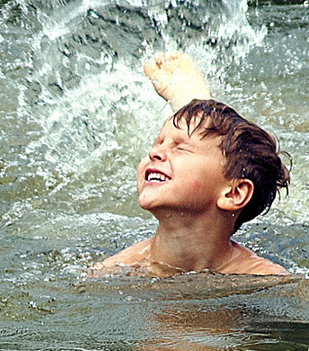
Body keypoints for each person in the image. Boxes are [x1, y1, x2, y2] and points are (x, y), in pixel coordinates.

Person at [94, 52, 292, 277]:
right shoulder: (113, 271)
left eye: (179, 148)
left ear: (235, 193)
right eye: (157, 143)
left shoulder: (265, 278)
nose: (154, 152)